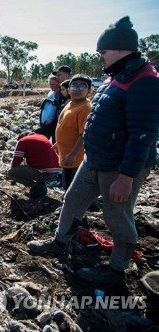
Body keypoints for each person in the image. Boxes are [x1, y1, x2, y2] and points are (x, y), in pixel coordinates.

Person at [27, 16, 159, 284]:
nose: (100, 56)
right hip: (95, 159)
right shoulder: (116, 76)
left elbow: (143, 135)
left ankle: (116, 271)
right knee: (72, 199)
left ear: (122, 49)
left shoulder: (145, 81)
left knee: (117, 216)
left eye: (103, 52)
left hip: (119, 166)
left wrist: (126, 177)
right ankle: (59, 242)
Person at [53, 74, 92, 190]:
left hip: (76, 158)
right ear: (69, 90)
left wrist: (73, 154)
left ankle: (75, 207)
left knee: (74, 189)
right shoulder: (70, 104)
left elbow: (84, 134)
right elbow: (68, 127)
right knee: (67, 185)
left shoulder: (85, 107)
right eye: (74, 86)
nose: (77, 89)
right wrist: (58, 143)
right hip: (66, 155)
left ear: (89, 90)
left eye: (82, 86)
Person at [8, 131, 61, 199]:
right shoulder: (42, 137)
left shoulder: (23, 141)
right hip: (56, 172)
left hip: (44, 172)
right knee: (35, 167)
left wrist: (14, 175)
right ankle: (41, 186)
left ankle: (37, 186)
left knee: (11, 173)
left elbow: (17, 160)